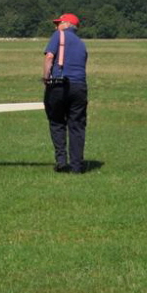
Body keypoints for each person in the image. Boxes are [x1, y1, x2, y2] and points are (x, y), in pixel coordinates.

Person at [42, 12, 88, 173]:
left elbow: (49, 57)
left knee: (56, 122)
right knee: (77, 126)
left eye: (59, 23)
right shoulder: (82, 44)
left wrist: (46, 78)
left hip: (59, 85)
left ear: (67, 25)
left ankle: (61, 161)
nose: (56, 26)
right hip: (79, 86)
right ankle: (77, 166)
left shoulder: (58, 35)